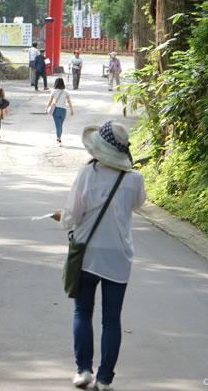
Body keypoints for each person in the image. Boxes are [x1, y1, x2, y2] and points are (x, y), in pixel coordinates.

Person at [52, 120, 146, 391]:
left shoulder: (87, 173)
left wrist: (60, 216)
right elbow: (138, 203)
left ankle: (83, 371)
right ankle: (105, 379)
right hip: (118, 256)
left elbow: (72, 216)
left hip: (88, 254)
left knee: (82, 310)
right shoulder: (134, 179)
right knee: (112, 318)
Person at [45, 77, 74, 146]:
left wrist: (47, 108)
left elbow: (50, 101)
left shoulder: (54, 91)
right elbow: (69, 101)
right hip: (63, 110)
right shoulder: (66, 91)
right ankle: (58, 139)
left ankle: (59, 140)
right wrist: (72, 110)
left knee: (58, 126)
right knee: (60, 125)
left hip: (56, 110)